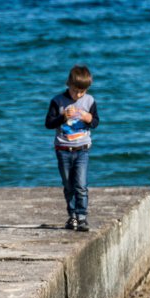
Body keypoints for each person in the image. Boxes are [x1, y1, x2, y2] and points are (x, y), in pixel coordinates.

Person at [44, 65, 99, 232]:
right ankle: (72, 216)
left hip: (82, 149)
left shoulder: (89, 101)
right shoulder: (57, 101)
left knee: (81, 185)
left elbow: (95, 122)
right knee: (68, 185)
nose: (79, 95)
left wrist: (88, 117)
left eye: (82, 91)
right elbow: (48, 124)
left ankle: (82, 217)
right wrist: (62, 117)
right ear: (68, 84)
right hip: (63, 149)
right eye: (75, 91)